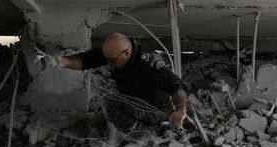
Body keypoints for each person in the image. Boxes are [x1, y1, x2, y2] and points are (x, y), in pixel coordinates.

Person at [55, 33, 188, 130]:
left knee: (110, 102)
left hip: (153, 110)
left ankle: (140, 133)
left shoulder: (148, 62)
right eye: (107, 60)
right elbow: (86, 60)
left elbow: (176, 86)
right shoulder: (113, 52)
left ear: (126, 53)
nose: (109, 64)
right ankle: (125, 127)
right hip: (131, 102)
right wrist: (63, 62)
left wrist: (181, 108)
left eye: (113, 61)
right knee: (95, 125)